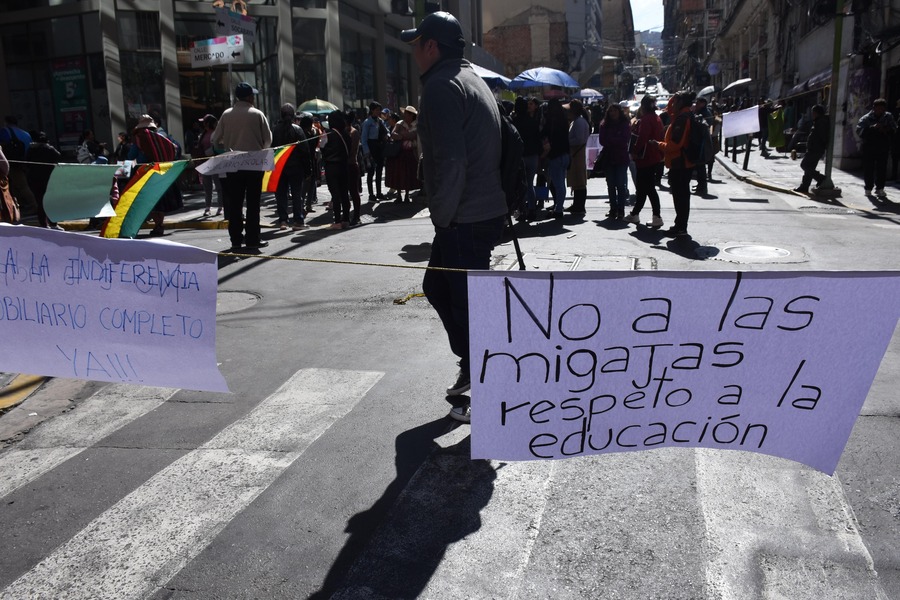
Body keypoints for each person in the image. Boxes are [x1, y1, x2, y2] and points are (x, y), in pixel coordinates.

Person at [400, 11, 508, 423]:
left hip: (464, 216)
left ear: (431, 47)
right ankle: (471, 366)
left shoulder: (443, 87)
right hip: (478, 213)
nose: (414, 54)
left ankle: (484, 393)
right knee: (439, 288)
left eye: (417, 45)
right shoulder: (470, 79)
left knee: (464, 304)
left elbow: (451, 163)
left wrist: (441, 218)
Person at [211, 82, 273, 250]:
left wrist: (228, 143)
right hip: (254, 164)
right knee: (253, 203)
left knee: (235, 204)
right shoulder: (257, 114)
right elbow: (268, 140)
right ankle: (253, 238)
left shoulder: (226, 114)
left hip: (232, 165)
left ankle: (236, 240)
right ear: (249, 97)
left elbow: (214, 139)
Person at [128, 114, 180, 237]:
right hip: (162, 172)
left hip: (146, 173)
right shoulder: (161, 137)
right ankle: (159, 225)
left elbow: (131, 156)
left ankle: (156, 225)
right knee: (159, 200)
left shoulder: (139, 138)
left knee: (148, 200)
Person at [653, 90, 696, 237]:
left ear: (681, 103)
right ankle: (680, 225)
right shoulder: (684, 115)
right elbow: (670, 110)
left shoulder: (682, 119)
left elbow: (675, 144)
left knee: (681, 197)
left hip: (680, 163)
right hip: (682, 163)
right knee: (681, 196)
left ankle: (681, 227)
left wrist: (658, 144)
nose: (672, 104)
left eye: (675, 101)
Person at [625, 95, 665, 228]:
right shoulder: (656, 118)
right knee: (644, 188)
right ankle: (636, 214)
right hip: (653, 156)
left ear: (643, 106)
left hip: (645, 157)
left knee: (647, 188)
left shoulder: (646, 120)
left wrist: (634, 151)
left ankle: (655, 216)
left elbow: (642, 138)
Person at [271, 103, 311, 230]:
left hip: (279, 167)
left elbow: (271, 149)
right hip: (296, 167)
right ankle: (298, 220)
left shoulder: (275, 130)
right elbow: (305, 151)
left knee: (281, 194)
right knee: (296, 194)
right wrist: (308, 169)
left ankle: (283, 220)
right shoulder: (297, 130)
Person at [856, 98, 897, 199]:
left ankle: (880, 188)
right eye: (878, 108)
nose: (880, 111)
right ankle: (868, 188)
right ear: (874, 108)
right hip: (869, 147)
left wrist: (885, 129)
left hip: (883, 146)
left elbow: (894, 129)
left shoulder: (888, 117)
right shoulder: (866, 118)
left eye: (882, 109)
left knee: (881, 168)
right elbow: (859, 131)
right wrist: (872, 128)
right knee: (868, 168)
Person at [596, 103, 631, 220]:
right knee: (611, 184)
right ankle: (613, 209)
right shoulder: (604, 124)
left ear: (619, 112)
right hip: (609, 158)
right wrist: (615, 139)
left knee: (621, 185)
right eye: (610, 111)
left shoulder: (625, 123)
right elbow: (602, 140)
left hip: (621, 158)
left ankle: (621, 210)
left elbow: (624, 140)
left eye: (615, 111)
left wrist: (611, 139)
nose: (613, 113)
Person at [511, 96, 542, 221]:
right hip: (533, 156)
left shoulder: (514, 123)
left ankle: (522, 210)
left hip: (520, 157)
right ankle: (532, 209)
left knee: (520, 185)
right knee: (530, 184)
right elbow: (538, 139)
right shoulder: (533, 122)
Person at [320, 110, 352, 229]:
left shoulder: (327, 133)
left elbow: (322, 147)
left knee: (335, 194)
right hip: (344, 166)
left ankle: (337, 220)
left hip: (331, 166)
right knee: (344, 193)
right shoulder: (346, 134)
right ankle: (346, 219)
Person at [25, 132, 62, 229]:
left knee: (40, 202)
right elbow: (58, 155)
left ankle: (43, 224)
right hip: (48, 178)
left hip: (34, 179)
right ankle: (53, 224)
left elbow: (27, 163)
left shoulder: (31, 149)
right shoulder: (49, 149)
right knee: (50, 202)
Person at [0, 115, 36, 215]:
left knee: (21, 186)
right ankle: (18, 206)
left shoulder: (5, 131)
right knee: (17, 185)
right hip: (24, 162)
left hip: (12, 163)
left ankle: (34, 206)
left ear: (6, 122)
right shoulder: (26, 134)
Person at [541, 98, 570, 219]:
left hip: (555, 155)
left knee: (557, 183)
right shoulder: (564, 120)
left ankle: (558, 209)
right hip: (565, 154)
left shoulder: (550, 121)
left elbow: (543, 134)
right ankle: (559, 207)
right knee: (561, 183)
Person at [386, 106, 420, 202]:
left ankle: (407, 195)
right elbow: (393, 134)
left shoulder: (416, 125)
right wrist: (404, 136)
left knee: (409, 174)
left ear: (411, 115)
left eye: (407, 114)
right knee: (399, 174)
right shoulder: (400, 124)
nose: (405, 116)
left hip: (411, 152)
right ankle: (399, 196)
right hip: (400, 152)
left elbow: (414, 135)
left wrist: (401, 135)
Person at [792, 105, 828, 194]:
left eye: (813, 112)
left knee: (804, 165)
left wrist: (820, 146)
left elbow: (823, 136)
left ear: (817, 113)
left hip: (815, 149)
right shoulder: (817, 121)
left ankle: (820, 178)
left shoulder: (821, 122)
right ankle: (804, 186)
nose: (812, 114)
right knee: (809, 169)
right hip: (814, 148)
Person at [564, 99, 591, 215]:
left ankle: (579, 205)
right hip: (575, 154)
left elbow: (579, 139)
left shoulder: (579, 122)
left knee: (579, 180)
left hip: (577, 154)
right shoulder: (576, 121)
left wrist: (566, 141)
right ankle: (577, 204)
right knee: (577, 180)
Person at [194, 114, 224, 216]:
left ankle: (220, 207)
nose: (203, 124)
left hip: (216, 162)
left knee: (219, 187)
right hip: (205, 163)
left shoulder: (217, 134)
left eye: (204, 122)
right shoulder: (203, 135)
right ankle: (208, 208)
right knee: (207, 187)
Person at [361, 102, 388, 201]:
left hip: (379, 147)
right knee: (371, 171)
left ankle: (379, 192)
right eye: (377, 110)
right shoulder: (367, 122)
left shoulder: (380, 121)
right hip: (370, 147)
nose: (379, 112)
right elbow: (363, 139)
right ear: (372, 110)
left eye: (379, 110)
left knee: (380, 171)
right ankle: (371, 194)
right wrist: (366, 153)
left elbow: (386, 132)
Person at [692, 96, 713, 196]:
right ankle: (700, 185)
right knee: (700, 167)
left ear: (703, 104)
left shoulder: (705, 113)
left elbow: (707, 124)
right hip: (700, 142)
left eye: (698, 103)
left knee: (701, 167)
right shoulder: (700, 112)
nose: (696, 104)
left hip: (702, 143)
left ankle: (702, 187)